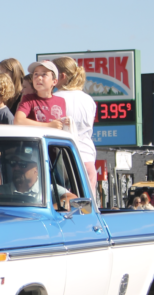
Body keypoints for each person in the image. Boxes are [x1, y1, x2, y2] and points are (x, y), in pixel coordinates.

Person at [52, 57, 97, 194]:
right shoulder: (88, 99)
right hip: (88, 157)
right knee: (88, 202)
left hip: (63, 157)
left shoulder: (55, 98)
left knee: (64, 202)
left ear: (61, 76)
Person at [0, 153, 77, 208]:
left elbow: (72, 198)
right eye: (13, 163)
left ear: (37, 169)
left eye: (23, 164)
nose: (16, 168)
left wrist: (53, 209)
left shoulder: (47, 189)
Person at [14, 61, 65, 130]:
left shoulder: (61, 101)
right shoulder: (28, 99)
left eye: (44, 74)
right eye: (36, 74)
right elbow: (18, 120)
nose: (39, 78)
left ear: (54, 81)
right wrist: (48, 125)